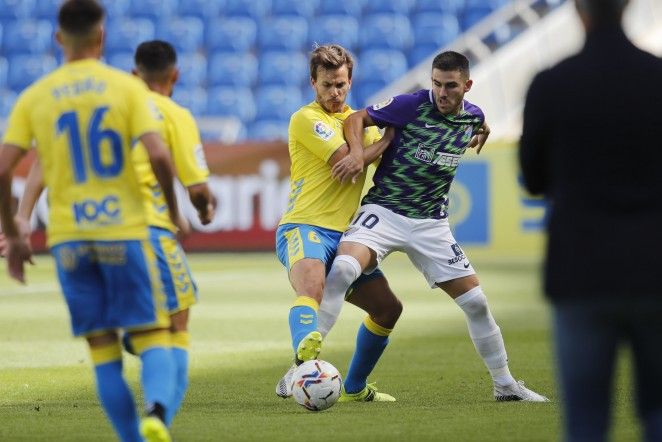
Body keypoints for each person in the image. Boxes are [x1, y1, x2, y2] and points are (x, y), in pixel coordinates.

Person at [2, 40, 216, 430]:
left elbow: (39, 162)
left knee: (103, 350)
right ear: (176, 75)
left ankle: (134, 431)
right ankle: (159, 416)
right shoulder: (143, 103)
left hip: (71, 235)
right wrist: (192, 210)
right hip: (137, 228)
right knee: (171, 328)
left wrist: (21, 217)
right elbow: (172, 166)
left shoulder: (54, 97)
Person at [321, 50, 548, 402]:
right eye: (437, 84)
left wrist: (482, 131)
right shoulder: (411, 105)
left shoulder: (472, 117)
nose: (442, 93)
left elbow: (479, 122)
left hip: (431, 224)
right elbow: (357, 119)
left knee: (476, 303)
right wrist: (354, 152)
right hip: (385, 211)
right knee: (342, 271)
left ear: (467, 85)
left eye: (451, 86)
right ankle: (303, 363)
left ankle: (505, 385)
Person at [519, 0, 662, 439]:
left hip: (581, 271)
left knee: (584, 423)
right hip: (655, 268)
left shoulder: (550, 83)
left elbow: (535, 179)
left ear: (578, 13)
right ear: (627, 9)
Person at [275, 44, 402, 402]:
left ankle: (355, 388)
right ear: (312, 82)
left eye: (341, 85)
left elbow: (383, 162)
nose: (335, 93)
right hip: (304, 225)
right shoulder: (306, 118)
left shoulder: (358, 123)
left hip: (347, 237)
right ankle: (302, 364)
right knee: (312, 289)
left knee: (388, 308)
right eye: (328, 85)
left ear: (350, 82)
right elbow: (349, 160)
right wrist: (386, 137)